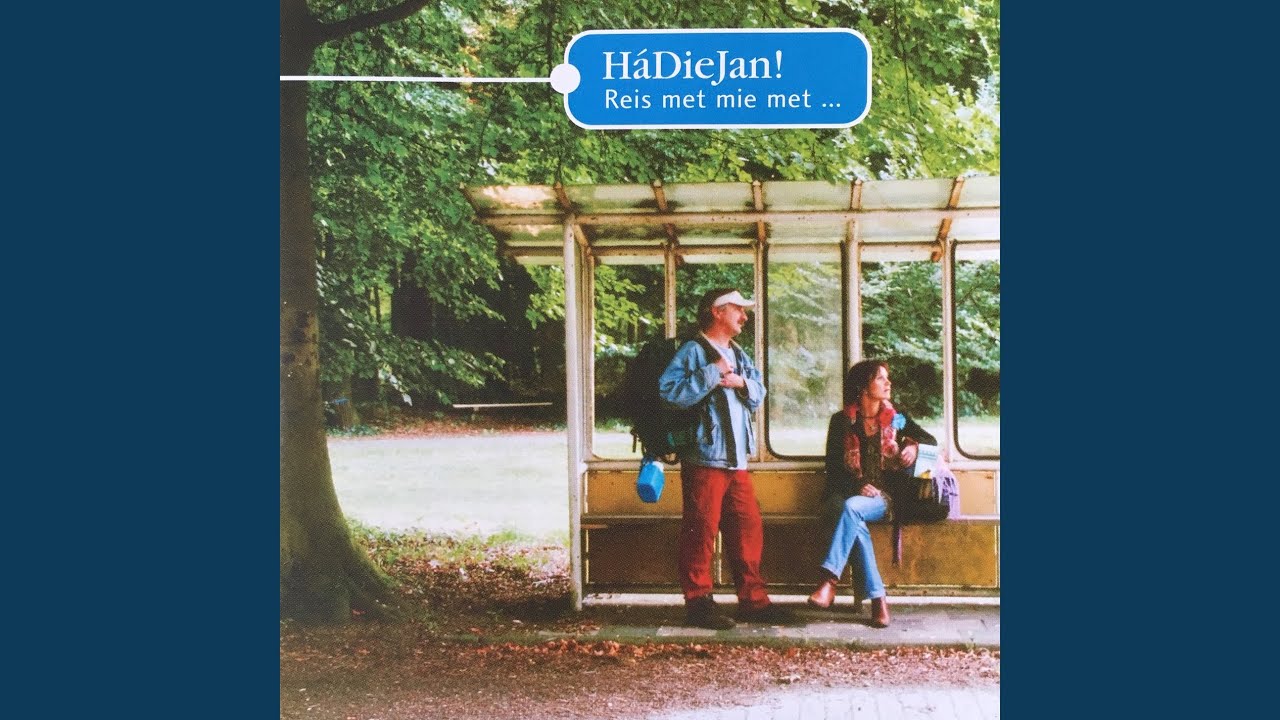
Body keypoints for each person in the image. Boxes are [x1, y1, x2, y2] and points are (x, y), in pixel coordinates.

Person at [658, 288, 787, 629]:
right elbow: (669, 393)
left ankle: (753, 600)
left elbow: (758, 393)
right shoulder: (694, 351)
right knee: (700, 530)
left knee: (747, 528)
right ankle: (698, 602)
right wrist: (712, 372)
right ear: (716, 312)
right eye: (737, 309)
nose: (744, 316)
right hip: (704, 458)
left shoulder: (738, 353)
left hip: (735, 461)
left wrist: (741, 382)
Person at [806, 360, 937, 628]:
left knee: (853, 509)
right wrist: (857, 487)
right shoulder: (842, 422)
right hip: (843, 495)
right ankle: (878, 599)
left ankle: (830, 579)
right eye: (880, 378)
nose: (888, 383)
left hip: (883, 498)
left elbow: (930, 440)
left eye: (887, 378)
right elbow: (833, 469)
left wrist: (913, 446)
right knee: (853, 515)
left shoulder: (896, 418)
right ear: (863, 387)